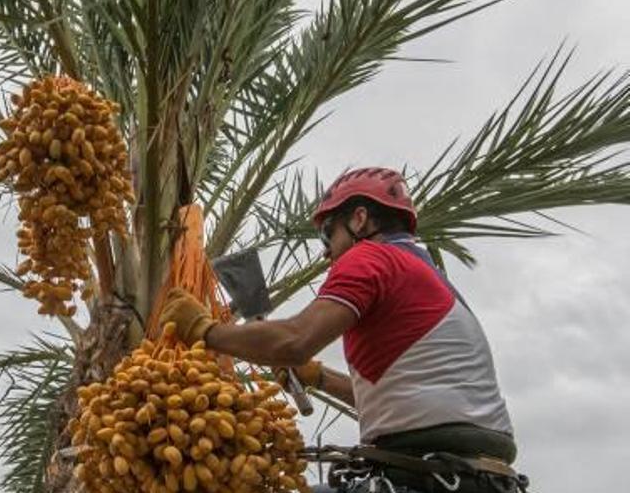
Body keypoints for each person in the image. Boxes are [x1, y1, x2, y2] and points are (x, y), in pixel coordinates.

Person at [161, 167, 525, 493]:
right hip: (479, 478)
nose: (326, 254)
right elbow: (409, 398)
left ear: (360, 219)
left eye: (327, 235)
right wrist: (318, 377)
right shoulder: (429, 276)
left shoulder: (372, 258)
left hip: (431, 477)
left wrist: (205, 330)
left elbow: (294, 340)